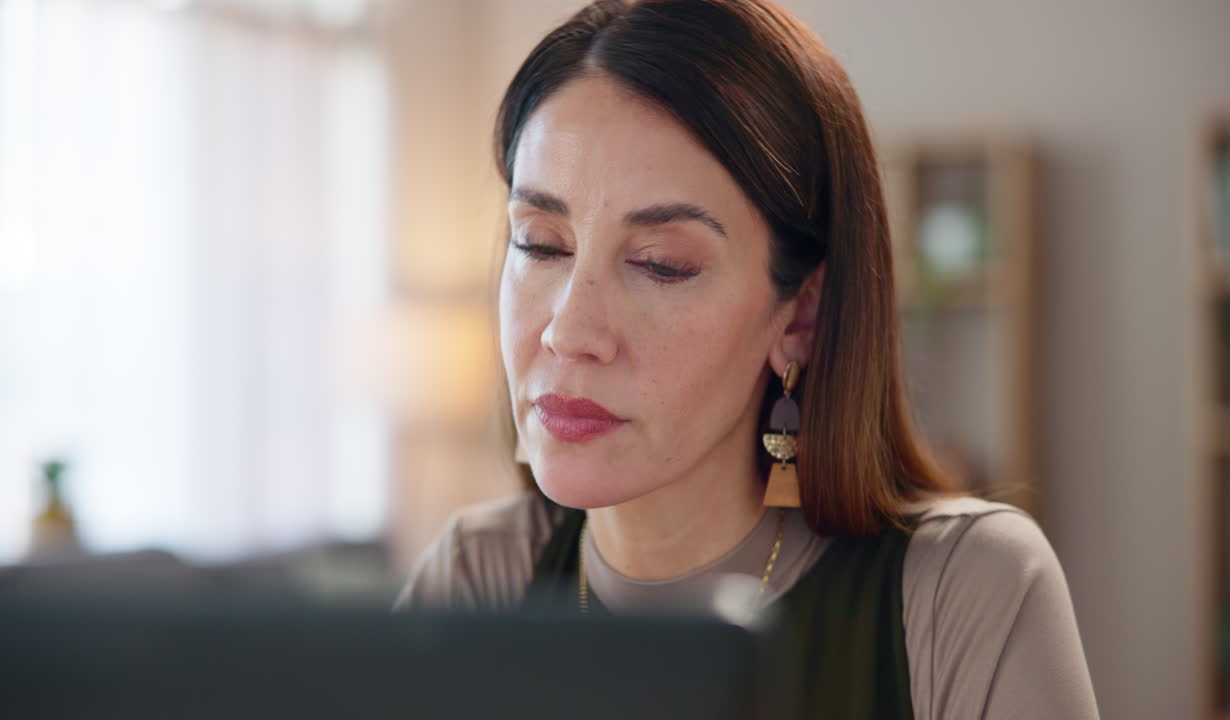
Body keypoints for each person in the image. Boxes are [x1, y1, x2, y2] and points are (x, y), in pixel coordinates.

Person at [397, 1, 1099, 717]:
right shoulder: (479, 579)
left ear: (802, 316)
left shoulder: (963, 592)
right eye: (541, 244)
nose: (570, 330)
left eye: (661, 264)